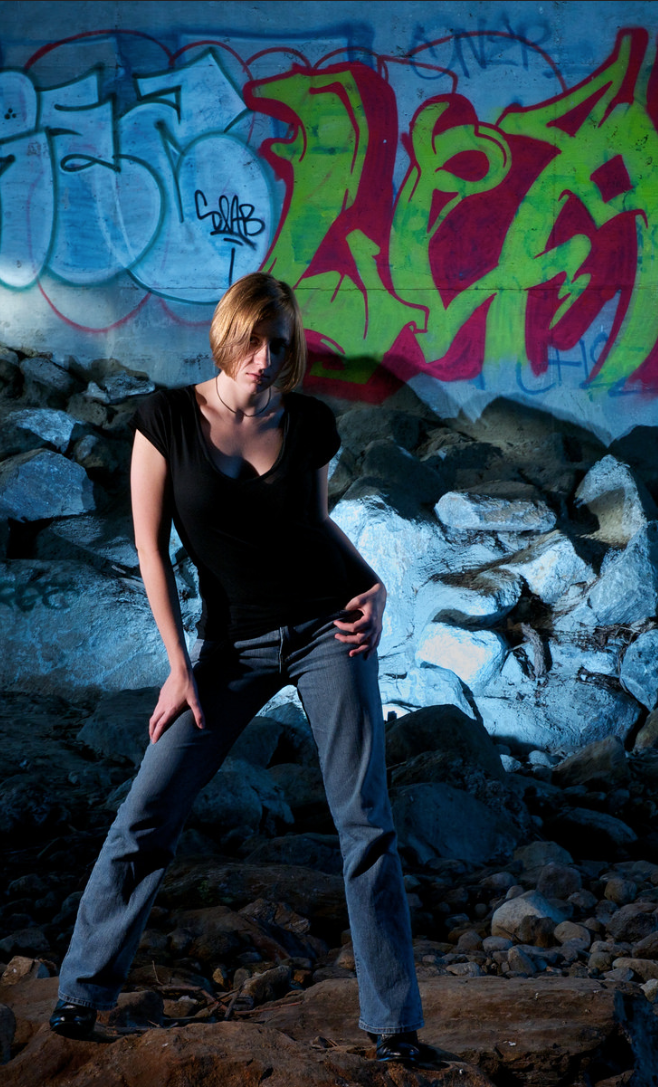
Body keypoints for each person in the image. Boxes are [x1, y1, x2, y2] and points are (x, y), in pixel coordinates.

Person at [50, 273, 424, 1062]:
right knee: (149, 808)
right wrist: (177, 665)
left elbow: (315, 525)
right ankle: (81, 992)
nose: (263, 356)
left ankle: (393, 1023)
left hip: (329, 631)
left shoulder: (309, 422)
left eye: (277, 344)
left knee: (365, 822)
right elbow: (150, 549)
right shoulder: (164, 419)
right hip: (230, 647)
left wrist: (374, 587)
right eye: (252, 340)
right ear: (227, 334)